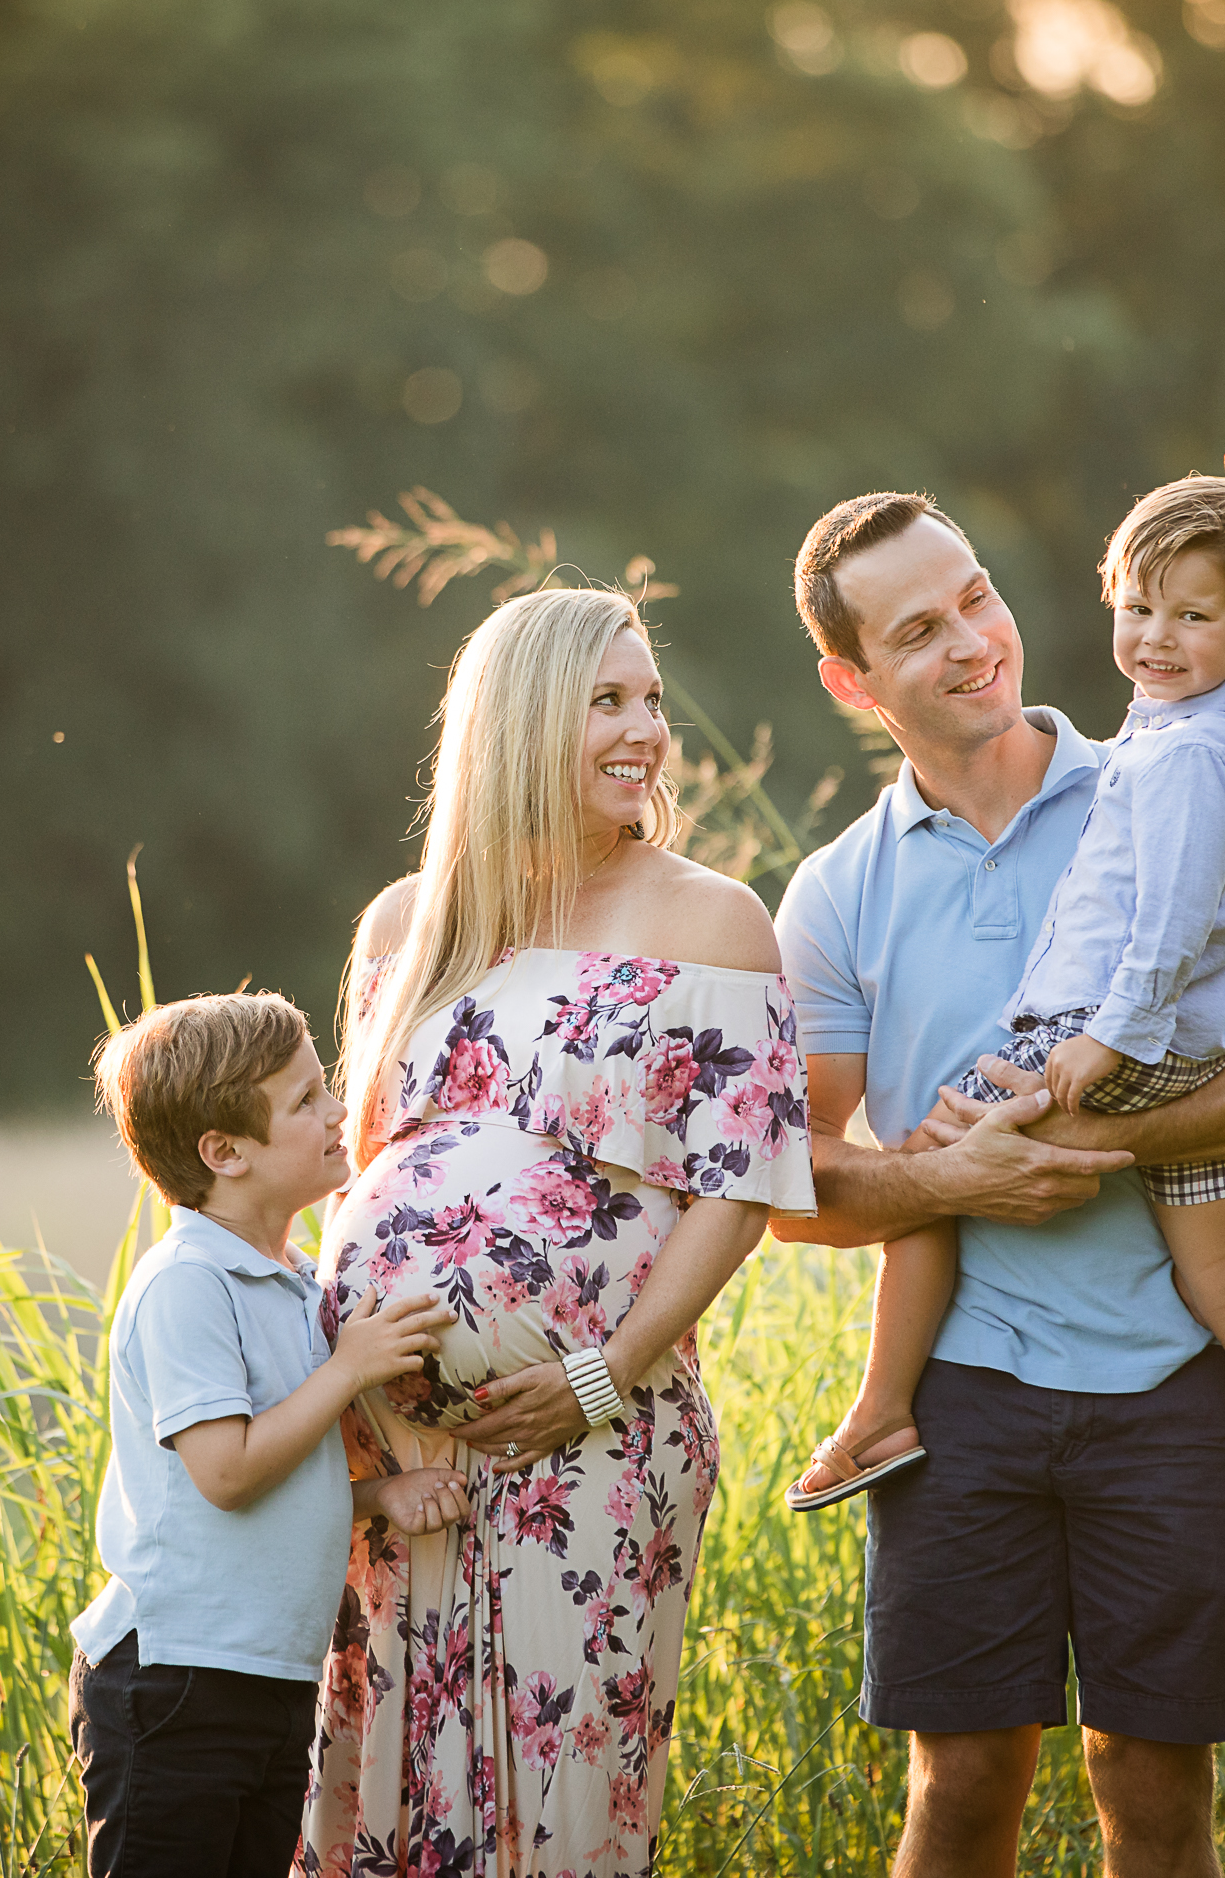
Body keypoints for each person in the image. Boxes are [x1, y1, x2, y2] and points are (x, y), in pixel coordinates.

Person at [766, 493, 1225, 1878]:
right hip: (963, 1398)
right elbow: (789, 1185)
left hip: (1171, 1381)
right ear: (850, 682)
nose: (976, 640)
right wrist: (959, 1177)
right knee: (964, 1786)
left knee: (1154, 1798)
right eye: (921, 629)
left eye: (977, 594)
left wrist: (1093, 1146)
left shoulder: (1168, 780)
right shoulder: (839, 893)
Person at [297, 586, 816, 1878]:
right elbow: (364, 1167)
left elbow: (737, 1194)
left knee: (564, 1824)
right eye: (608, 701)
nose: (648, 728)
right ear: (523, 721)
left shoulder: (714, 922)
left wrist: (601, 1370)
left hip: (592, 1439)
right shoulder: (404, 928)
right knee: (379, 1807)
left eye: (650, 698)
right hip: (399, 1464)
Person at [74, 990, 472, 1878]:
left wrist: (376, 1499)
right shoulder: (189, 1285)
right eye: (305, 1102)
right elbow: (226, 1472)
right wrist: (350, 1368)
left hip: (265, 1680)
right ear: (225, 1154)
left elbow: (272, 1485)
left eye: (323, 1086)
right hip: (175, 1682)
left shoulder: (290, 1281)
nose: (338, 1112)